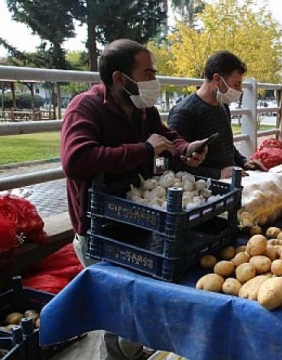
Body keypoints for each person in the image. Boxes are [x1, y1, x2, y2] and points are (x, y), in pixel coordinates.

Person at [60, 39, 208, 360]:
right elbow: (76, 159)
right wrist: (143, 150)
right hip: (98, 226)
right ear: (119, 79)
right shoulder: (85, 108)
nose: (155, 80)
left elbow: (165, 135)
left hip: (136, 217)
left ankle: (132, 350)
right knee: (117, 309)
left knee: (134, 303)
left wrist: (185, 148)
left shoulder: (143, 109)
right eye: (148, 73)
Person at [168, 51, 266, 179]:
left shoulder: (222, 105)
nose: (239, 91)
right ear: (217, 79)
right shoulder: (184, 113)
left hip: (230, 180)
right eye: (236, 84)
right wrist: (218, 174)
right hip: (206, 187)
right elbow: (175, 165)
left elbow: (226, 145)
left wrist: (243, 162)